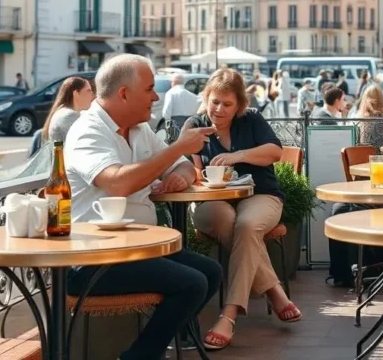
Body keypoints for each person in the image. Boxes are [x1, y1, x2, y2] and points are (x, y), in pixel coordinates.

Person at [63, 54, 221, 360]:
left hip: (140, 249)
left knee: (211, 272)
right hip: (95, 258)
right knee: (192, 283)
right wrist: (177, 148)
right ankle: (142, 354)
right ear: (124, 94)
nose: (156, 96)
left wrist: (178, 175)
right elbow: (116, 183)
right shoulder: (88, 131)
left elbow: (186, 168)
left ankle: (155, 344)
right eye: (149, 89)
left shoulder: (139, 129)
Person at [186, 69, 301, 350]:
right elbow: (190, 170)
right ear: (206, 98)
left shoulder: (251, 121)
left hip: (261, 195)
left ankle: (229, 313)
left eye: (227, 104)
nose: (218, 109)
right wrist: (195, 173)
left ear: (239, 105)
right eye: (214, 101)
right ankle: (273, 289)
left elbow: (274, 151)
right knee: (230, 219)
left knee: (247, 225)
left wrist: (238, 156)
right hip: (210, 202)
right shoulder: (195, 125)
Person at [43, 77, 95, 144]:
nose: (92, 95)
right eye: (88, 91)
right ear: (76, 94)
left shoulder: (64, 112)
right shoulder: (69, 115)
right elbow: (87, 143)